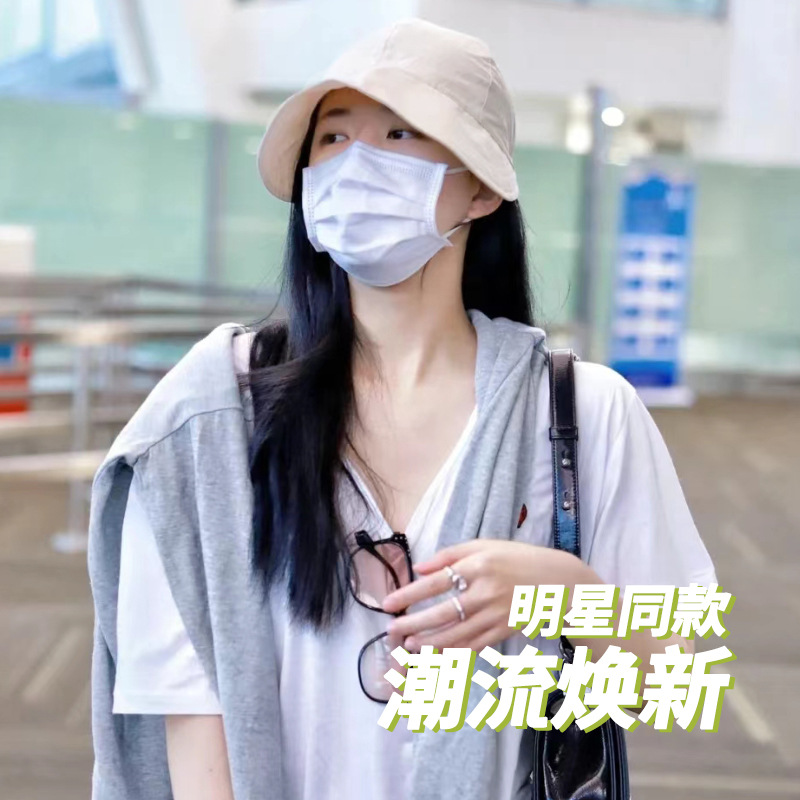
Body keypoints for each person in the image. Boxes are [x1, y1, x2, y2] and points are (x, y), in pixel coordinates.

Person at [88, 18, 718, 800]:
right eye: (332, 137)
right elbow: (186, 708)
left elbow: (674, 673)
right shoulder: (210, 415)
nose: (357, 162)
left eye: (399, 133)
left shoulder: (582, 413)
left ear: (481, 187)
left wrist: (563, 595)